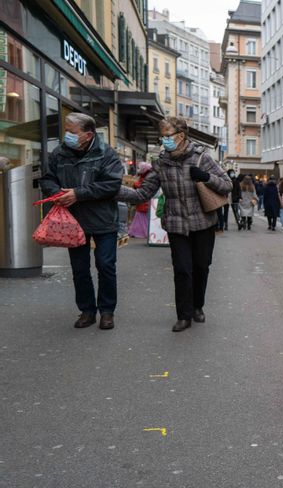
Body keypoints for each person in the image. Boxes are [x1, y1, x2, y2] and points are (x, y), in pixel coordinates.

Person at [117, 117, 232, 332]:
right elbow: (144, 192)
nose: (163, 140)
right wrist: (114, 190)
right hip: (176, 224)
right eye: (162, 136)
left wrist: (206, 177)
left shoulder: (202, 158)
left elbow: (227, 185)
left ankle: (198, 306)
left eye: (166, 135)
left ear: (180, 135)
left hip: (203, 223)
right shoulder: (161, 162)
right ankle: (184, 315)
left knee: (201, 267)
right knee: (182, 270)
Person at [40, 112, 124, 330]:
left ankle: (107, 311)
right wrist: (56, 193)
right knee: (79, 268)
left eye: (71, 132)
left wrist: (78, 193)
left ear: (88, 135)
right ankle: (87, 310)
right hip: (72, 221)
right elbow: (47, 178)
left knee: (106, 266)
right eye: (65, 130)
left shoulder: (107, 154)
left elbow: (112, 184)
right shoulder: (59, 153)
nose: (66, 135)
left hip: (103, 220)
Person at [127, 162, 153, 239]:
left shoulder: (146, 176)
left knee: (140, 216)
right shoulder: (145, 175)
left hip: (143, 201)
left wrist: (135, 184)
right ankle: (138, 231)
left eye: (139, 168)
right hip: (143, 201)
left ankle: (139, 232)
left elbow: (142, 185)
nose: (138, 169)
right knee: (139, 216)